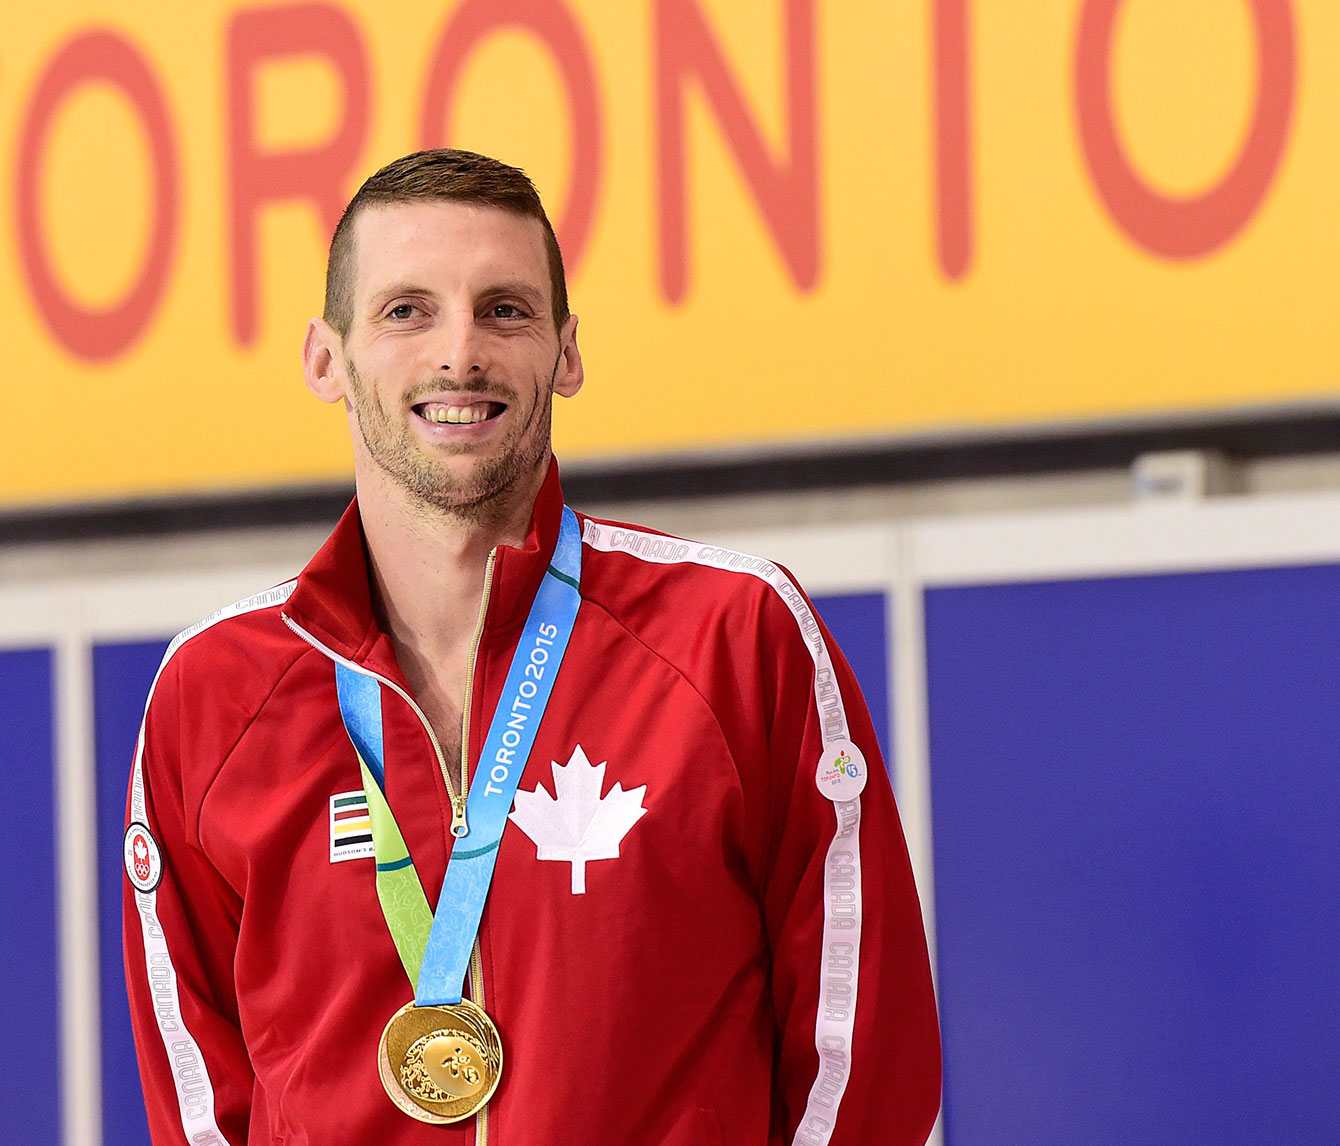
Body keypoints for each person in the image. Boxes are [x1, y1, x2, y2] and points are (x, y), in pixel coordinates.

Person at [123, 148, 941, 1146]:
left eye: (503, 310)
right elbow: (202, 1108)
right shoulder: (214, 694)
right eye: (405, 310)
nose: (458, 354)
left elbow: (860, 1063)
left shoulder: (734, 638)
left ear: (566, 353)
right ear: (323, 360)